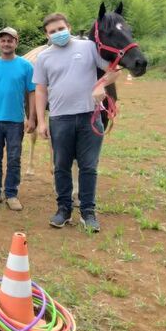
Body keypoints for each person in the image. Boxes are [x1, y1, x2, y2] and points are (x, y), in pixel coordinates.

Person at [33, 13, 118, 232]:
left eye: (61, 29)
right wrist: (42, 121)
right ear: (47, 35)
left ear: (69, 27)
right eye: (52, 32)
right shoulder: (44, 57)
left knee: (88, 166)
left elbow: (113, 69)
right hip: (60, 119)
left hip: (89, 116)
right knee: (61, 166)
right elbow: (41, 90)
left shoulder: (88, 47)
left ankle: (88, 212)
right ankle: (63, 210)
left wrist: (101, 85)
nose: (57, 34)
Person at [0, 27, 36, 211]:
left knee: (14, 158)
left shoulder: (26, 66)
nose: (6, 43)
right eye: (3, 40)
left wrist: (32, 117)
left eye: (10, 40)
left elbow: (32, 93)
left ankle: (11, 194)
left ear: (16, 42)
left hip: (16, 122)